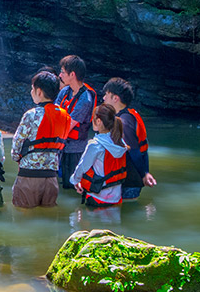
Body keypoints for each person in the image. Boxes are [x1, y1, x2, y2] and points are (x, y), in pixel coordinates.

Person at [10, 71, 70, 208]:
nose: (31, 92)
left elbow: (17, 144)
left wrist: (16, 158)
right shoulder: (64, 116)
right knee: (49, 219)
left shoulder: (31, 115)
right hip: (51, 178)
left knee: (23, 219)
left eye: (32, 89)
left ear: (39, 91)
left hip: (29, 176)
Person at [102, 77, 157, 200]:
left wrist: (144, 174)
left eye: (106, 95)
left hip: (130, 179)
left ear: (115, 98)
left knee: (126, 211)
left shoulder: (124, 122)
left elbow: (135, 152)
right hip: (130, 178)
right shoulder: (128, 115)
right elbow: (144, 148)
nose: (104, 98)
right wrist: (146, 171)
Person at [72, 104, 129, 208]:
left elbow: (82, 167)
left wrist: (75, 181)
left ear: (98, 121)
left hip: (97, 197)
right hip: (116, 199)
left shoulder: (95, 145)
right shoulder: (121, 142)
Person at [54, 55, 97, 190]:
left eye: (62, 72)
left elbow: (68, 124)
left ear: (72, 74)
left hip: (75, 149)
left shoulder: (85, 99)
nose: (60, 75)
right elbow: (54, 111)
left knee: (72, 186)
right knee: (62, 184)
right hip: (62, 146)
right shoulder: (65, 91)